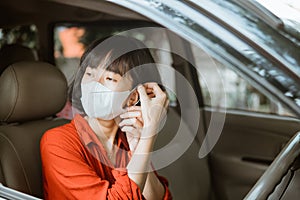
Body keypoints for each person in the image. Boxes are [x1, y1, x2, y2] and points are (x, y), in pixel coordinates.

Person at [40, 35, 172, 199]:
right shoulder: (57, 141)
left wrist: (140, 145)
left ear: (134, 96)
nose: (93, 85)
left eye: (109, 78)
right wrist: (149, 135)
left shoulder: (126, 138)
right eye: (89, 74)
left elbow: (158, 198)